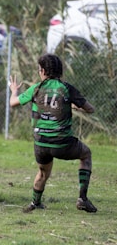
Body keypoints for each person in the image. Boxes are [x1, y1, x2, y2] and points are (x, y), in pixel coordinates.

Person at [9, 53, 97, 213]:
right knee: (86, 154)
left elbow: (13, 103)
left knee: (43, 172)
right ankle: (82, 199)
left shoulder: (36, 88)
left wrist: (14, 90)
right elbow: (90, 109)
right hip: (62, 143)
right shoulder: (67, 88)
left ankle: (35, 202)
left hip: (41, 144)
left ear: (42, 70)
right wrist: (75, 105)